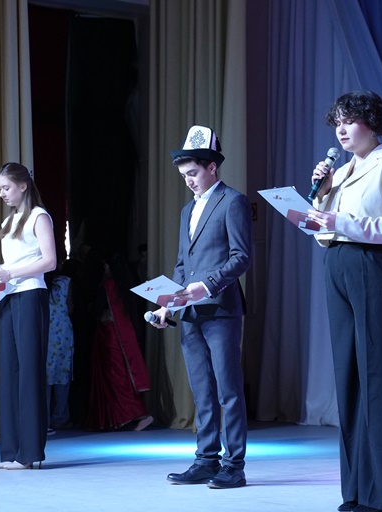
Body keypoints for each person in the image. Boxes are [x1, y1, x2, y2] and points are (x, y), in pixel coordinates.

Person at [307, 91, 382, 512]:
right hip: (339, 264)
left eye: (349, 120)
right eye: (337, 121)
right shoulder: (340, 171)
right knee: (349, 378)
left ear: (371, 123)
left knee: (380, 378)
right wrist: (321, 197)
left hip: (380, 267)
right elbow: (324, 232)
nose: (341, 129)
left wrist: (341, 221)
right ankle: (356, 490)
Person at [149, 125, 252, 489]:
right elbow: (183, 263)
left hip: (220, 309)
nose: (189, 181)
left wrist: (206, 285)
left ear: (212, 167)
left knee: (228, 390)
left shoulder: (233, 202)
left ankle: (234, 465)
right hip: (191, 313)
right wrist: (169, 304)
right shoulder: (187, 210)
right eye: (184, 176)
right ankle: (206, 459)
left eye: (193, 173)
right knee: (202, 392)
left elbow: (241, 257)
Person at [0, 162, 57, 470]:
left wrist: (8, 273)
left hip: (30, 296)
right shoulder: (9, 220)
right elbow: (11, 265)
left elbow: (49, 261)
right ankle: (12, 452)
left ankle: (29, 454)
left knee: (29, 374)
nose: (1, 193)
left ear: (23, 186)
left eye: (6, 187)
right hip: (10, 297)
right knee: (9, 373)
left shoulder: (39, 216)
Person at [87, 254, 153, 432]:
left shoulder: (109, 285)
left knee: (115, 377)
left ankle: (137, 414)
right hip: (123, 335)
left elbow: (97, 308)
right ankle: (126, 417)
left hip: (109, 335)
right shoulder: (126, 285)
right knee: (123, 376)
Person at [46, 264, 75, 433]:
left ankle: (43, 419)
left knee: (44, 376)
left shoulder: (40, 281)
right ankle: (60, 418)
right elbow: (70, 307)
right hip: (62, 332)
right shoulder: (66, 282)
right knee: (62, 375)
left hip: (45, 331)